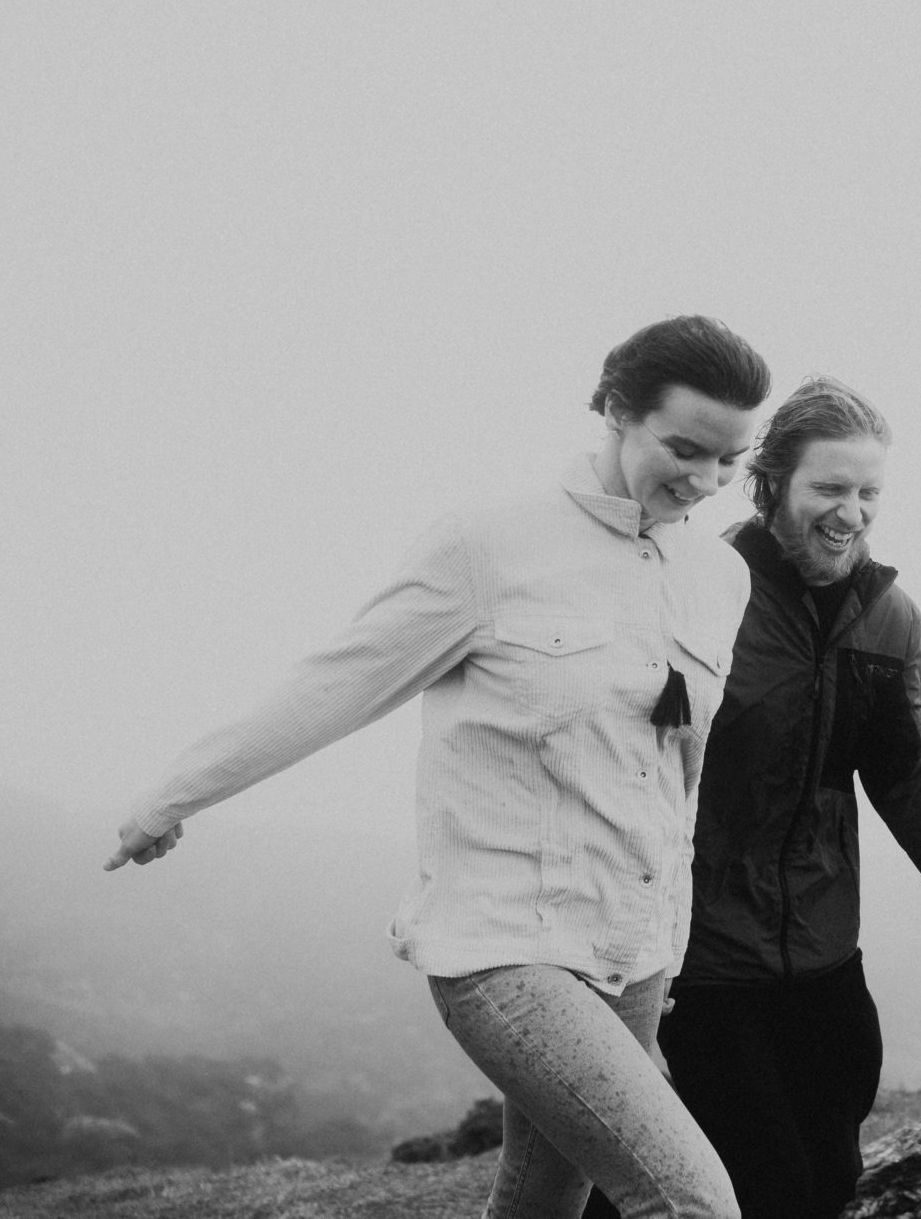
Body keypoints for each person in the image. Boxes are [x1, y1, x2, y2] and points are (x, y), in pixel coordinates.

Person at [103, 316, 773, 1219]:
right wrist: (173, 795)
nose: (704, 481)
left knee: (541, 1206)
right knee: (690, 1200)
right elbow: (339, 683)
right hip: (502, 943)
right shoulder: (489, 544)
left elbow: (675, 775)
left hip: (635, 954)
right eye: (685, 449)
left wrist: (671, 941)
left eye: (728, 460)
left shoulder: (719, 576)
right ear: (617, 410)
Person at [658, 376, 921, 1218]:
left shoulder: (888, 617)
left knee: (829, 1183)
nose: (852, 513)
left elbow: (918, 779)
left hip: (825, 963)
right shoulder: (699, 590)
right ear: (772, 484)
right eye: (830, 488)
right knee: (758, 1183)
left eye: (869, 492)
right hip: (703, 967)